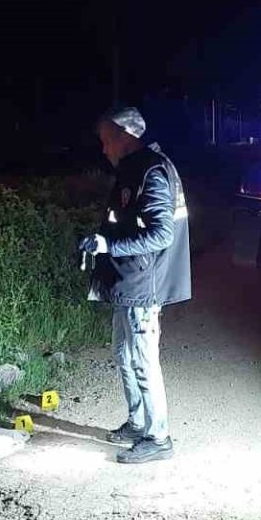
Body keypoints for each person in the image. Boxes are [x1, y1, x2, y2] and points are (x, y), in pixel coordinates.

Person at [79, 106, 192, 464]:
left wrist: (108, 245)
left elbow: (161, 234)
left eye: (106, 140)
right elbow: (126, 219)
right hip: (127, 282)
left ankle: (158, 437)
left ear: (124, 136)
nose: (103, 149)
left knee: (142, 360)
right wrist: (103, 241)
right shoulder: (135, 168)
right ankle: (138, 422)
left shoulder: (152, 171)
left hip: (143, 285)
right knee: (124, 355)